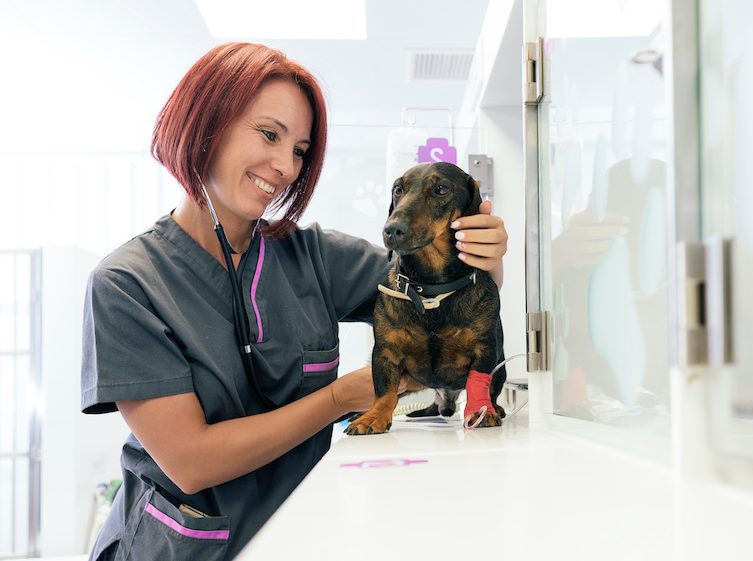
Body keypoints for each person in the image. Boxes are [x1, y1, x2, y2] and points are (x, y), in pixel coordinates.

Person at [80, 42, 508, 561]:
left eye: (300, 150)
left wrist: (483, 250)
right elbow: (190, 461)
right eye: (268, 134)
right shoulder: (127, 284)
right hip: (174, 550)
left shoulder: (316, 258)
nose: (285, 165)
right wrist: (344, 397)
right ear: (206, 123)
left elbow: (446, 295)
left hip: (297, 537)